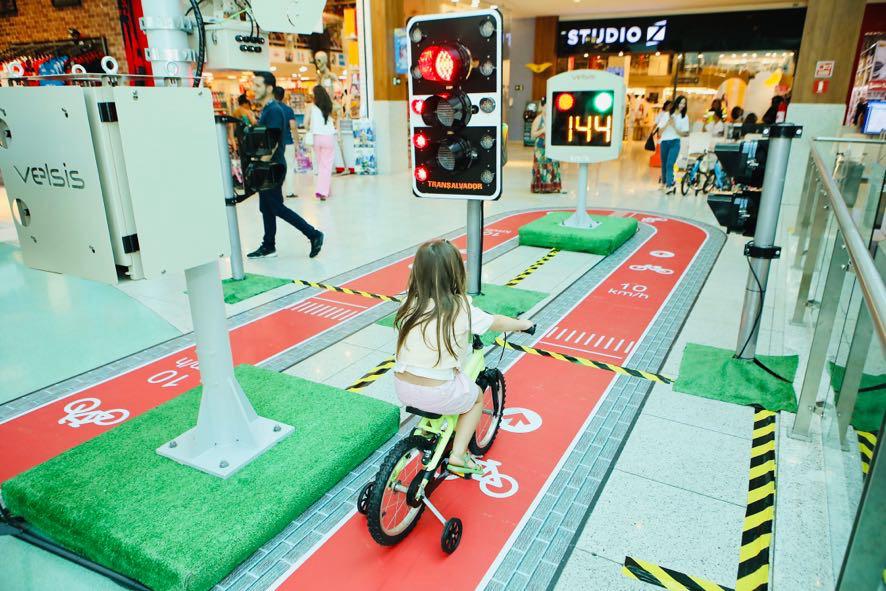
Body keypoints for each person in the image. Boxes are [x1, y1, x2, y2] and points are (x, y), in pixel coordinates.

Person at [393, 239, 533, 474]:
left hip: (402, 387)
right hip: (438, 392)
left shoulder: (409, 300)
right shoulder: (460, 308)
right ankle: (458, 455)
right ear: (456, 273)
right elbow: (496, 322)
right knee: (476, 398)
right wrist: (523, 324)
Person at [247, 71, 323, 260]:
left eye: (257, 85)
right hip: (270, 166)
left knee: (276, 207)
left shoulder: (273, 110)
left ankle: (313, 234)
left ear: (269, 88)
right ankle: (268, 245)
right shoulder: (269, 109)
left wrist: (259, 167)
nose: (253, 89)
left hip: (271, 167)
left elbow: (271, 144)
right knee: (266, 207)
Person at [306, 84, 337, 201]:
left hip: (316, 138)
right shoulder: (329, 106)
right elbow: (334, 120)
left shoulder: (310, 107)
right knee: (326, 166)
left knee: (321, 165)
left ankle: (326, 190)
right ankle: (322, 191)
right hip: (328, 137)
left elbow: (305, 122)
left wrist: (311, 126)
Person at [654, 95, 689, 194]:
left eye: (684, 103)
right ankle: (664, 183)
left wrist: (675, 127)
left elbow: (685, 133)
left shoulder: (684, 117)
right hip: (664, 142)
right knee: (664, 163)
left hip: (675, 142)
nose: (682, 105)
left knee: (670, 164)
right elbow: (659, 132)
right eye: (680, 102)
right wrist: (668, 124)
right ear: (676, 103)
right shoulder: (667, 115)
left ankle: (670, 184)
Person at [530, 97, 561, 193]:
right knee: (541, 165)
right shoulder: (538, 119)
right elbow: (532, 135)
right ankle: (540, 187)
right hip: (541, 147)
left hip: (551, 145)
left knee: (553, 165)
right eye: (546, 107)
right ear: (542, 107)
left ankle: (552, 186)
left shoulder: (553, 118)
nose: (548, 109)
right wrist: (542, 130)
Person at [272, 87, 299, 199]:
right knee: (289, 167)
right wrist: (296, 142)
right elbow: (293, 126)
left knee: (275, 167)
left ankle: (275, 192)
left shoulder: (271, 109)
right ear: (283, 96)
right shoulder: (288, 110)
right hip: (287, 142)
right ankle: (290, 192)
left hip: (274, 144)